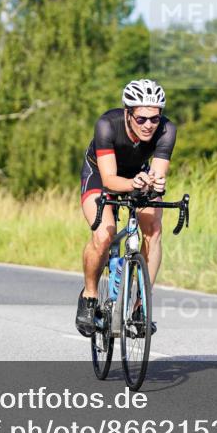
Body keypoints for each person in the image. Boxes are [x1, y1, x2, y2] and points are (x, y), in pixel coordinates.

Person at [76, 78, 176, 335]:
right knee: (104, 233)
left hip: (137, 175)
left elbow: (157, 174)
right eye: (141, 119)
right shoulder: (107, 125)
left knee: (153, 228)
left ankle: (141, 308)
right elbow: (109, 179)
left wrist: (154, 183)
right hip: (100, 174)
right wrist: (134, 183)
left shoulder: (167, 130)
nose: (149, 125)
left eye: (154, 118)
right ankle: (89, 296)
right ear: (127, 113)